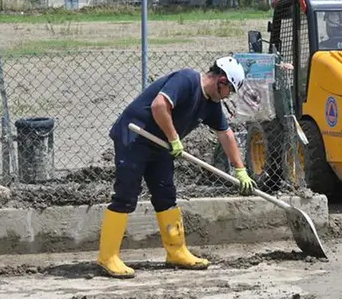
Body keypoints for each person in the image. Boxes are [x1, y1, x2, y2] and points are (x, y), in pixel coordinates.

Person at [96, 56, 258, 279]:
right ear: (221, 80)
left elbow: (226, 134)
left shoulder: (211, 104)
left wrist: (241, 170)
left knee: (166, 194)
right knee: (126, 194)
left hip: (160, 144)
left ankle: (176, 251)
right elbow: (159, 105)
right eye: (229, 90)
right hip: (134, 136)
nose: (228, 96)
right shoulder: (187, 80)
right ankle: (108, 257)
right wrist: (174, 138)